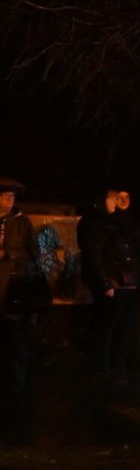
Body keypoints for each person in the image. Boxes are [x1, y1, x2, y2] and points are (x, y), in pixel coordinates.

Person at [77, 185, 140, 386]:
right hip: (113, 282)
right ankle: (103, 368)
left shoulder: (121, 223)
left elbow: (136, 250)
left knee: (125, 326)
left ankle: (119, 367)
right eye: (114, 198)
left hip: (127, 282)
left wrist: (134, 275)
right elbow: (95, 254)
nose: (117, 202)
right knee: (108, 326)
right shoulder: (98, 223)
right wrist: (105, 283)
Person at [0, 176, 44, 437]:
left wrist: (9, 255)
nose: (10, 200)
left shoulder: (22, 223)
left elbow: (34, 254)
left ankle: (17, 386)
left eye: (12, 197)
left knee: (17, 337)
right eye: (6, 196)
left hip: (13, 288)